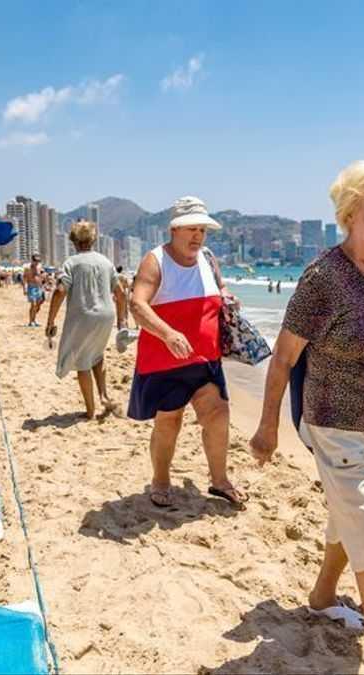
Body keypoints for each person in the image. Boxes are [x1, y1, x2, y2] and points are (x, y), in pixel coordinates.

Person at [249, 160, 364, 675]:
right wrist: (267, 428)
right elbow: (283, 357)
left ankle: (324, 594)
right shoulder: (324, 278)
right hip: (334, 424)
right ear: (351, 212)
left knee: (348, 517)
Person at [127, 195, 247, 509]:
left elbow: (217, 290)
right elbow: (137, 305)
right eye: (190, 228)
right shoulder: (155, 260)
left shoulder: (208, 258)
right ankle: (161, 481)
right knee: (170, 421)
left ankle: (219, 480)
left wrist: (227, 297)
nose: (197, 236)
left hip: (206, 358)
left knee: (218, 414)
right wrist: (167, 333)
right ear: (174, 230)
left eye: (202, 230)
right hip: (166, 361)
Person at [45, 221, 127, 419]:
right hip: (106, 315)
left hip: (83, 316)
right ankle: (104, 396)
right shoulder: (106, 262)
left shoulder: (71, 263)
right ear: (93, 239)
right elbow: (121, 293)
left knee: (82, 361)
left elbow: (59, 291)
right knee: (97, 355)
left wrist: (50, 321)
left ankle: (90, 411)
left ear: (73, 240)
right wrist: (121, 320)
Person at [23, 253, 46, 327]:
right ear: (32, 260)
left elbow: (43, 276)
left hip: (39, 287)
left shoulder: (40, 267)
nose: (37, 262)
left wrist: (44, 284)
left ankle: (34, 319)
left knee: (38, 305)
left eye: (38, 261)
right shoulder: (27, 268)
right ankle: (31, 321)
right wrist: (25, 288)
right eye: (35, 261)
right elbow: (24, 279)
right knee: (33, 304)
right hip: (31, 287)